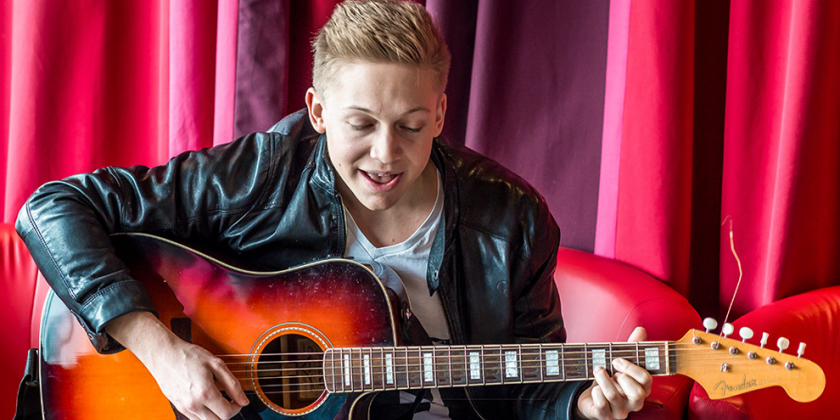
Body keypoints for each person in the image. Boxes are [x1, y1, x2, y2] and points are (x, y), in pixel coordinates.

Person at [16, 1, 651, 419]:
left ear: (441, 114)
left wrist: (583, 405)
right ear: (318, 112)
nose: (386, 153)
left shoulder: (514, 220)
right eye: (361, 124)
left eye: (411, 125)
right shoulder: (264, 172)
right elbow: (51, 208)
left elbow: (531, 385)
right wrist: (161, 351)